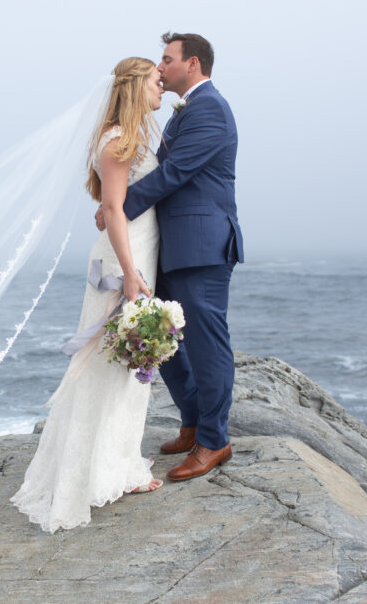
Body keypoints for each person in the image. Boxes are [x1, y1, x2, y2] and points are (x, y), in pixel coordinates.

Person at [10, 56, 166, 532]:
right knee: (110, 362)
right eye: (157, 83)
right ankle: (101, 472)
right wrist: (132, 272)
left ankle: (116, 462)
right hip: (126, 256)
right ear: (137, 87)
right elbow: (115, 209)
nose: (163, 91)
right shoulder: (119, 140)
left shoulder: (131, 136)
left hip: (135, 250)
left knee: (122, 365)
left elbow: (110, 204)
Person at [97, 32, 243, 481]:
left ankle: (214, 442)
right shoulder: (187, 110)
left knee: (206, 345)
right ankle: (193, 423)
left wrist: (117, 207)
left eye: (167, 59)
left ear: (192, 63)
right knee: (170, 344)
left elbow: (177, 173)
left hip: (201, 246)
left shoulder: (210, 108)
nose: (160, 69)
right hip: (172, 244)